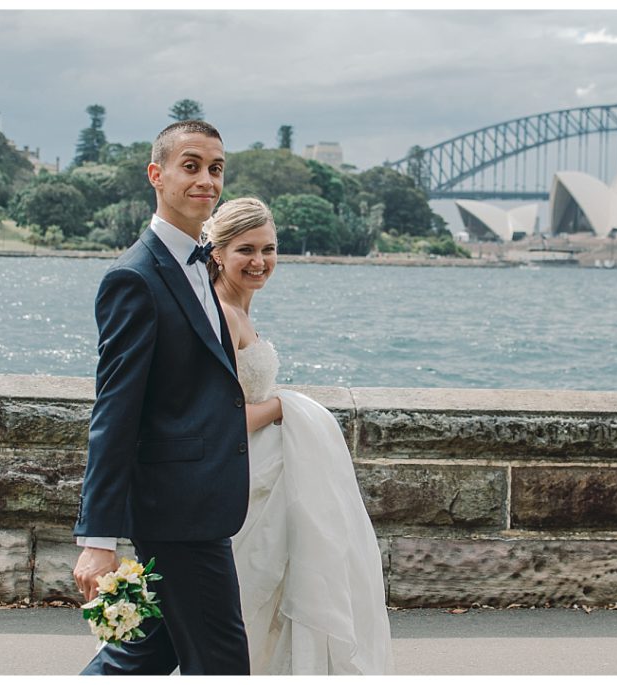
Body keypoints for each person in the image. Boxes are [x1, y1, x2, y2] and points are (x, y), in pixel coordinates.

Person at [72, 120, 258, 675]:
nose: (207, 180)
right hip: (176, 512)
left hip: (199, 503)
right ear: (157, 175)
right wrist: (98, 538)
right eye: (192, 165)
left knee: (146, 653)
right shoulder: (134, 278)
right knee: (223, 664)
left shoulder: (204, 263)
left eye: (217, 168)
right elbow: (115, 412)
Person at [205, 197, 394, 675]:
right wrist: (284, 406)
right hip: (247, 479)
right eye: (245, 249)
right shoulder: (223, 315)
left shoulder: (241, 311)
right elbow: (218, 418)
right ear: (217, 253)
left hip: (268, 467)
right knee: (257, 596)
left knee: (279, 599)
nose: (260, 261)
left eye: (269, 249)